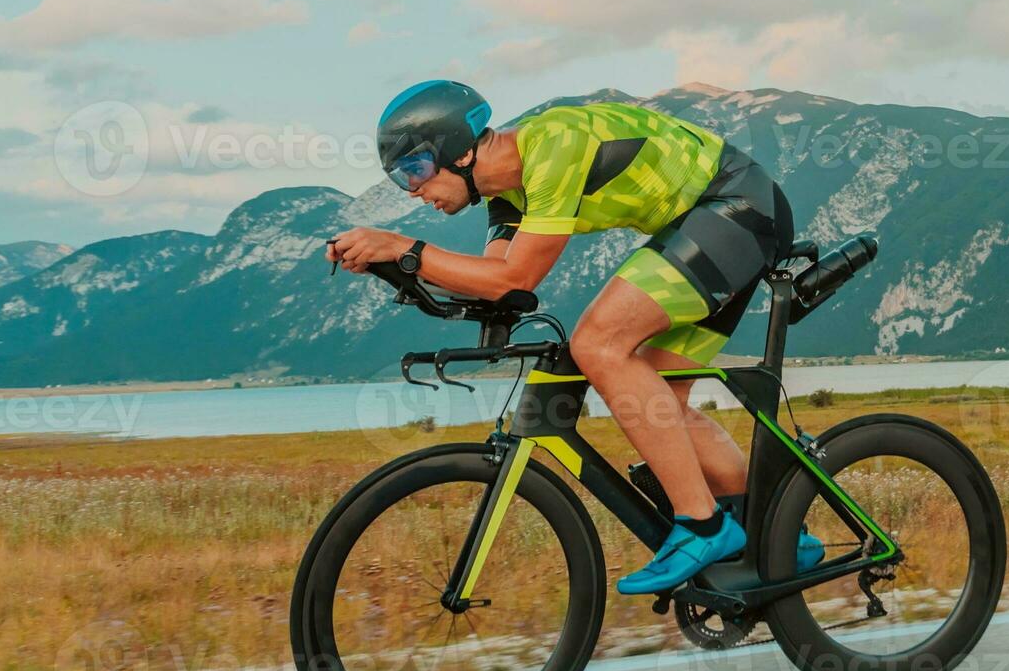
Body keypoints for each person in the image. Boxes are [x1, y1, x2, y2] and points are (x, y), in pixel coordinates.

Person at [326, 80, 822, 595]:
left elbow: (515, 280)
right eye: (401, 176)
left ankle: (703, 524)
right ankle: (781, 536)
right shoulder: (507, 196)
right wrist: (398, 264)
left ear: (462, 150)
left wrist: (403, 243)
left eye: (415, 169)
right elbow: (492, 279)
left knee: (598, 344)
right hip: (712, 225)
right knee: (662, 401)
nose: (412, 189)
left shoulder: (552, 146)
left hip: (737, 207)